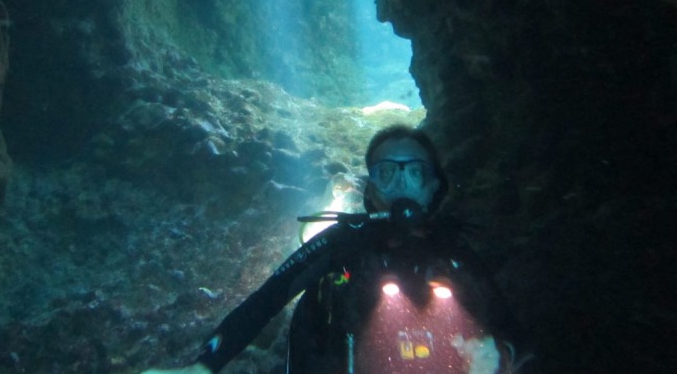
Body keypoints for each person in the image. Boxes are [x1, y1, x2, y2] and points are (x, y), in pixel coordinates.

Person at [142, 125, 532, 373]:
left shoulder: (457, 252)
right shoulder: (341, 244)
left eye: (415, 172)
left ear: (435, 186)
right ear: (371, 188)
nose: (401, 186)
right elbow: (268, 299)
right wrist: (204, 365)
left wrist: (503, 355)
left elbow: (512, 329)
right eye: (387, 173)